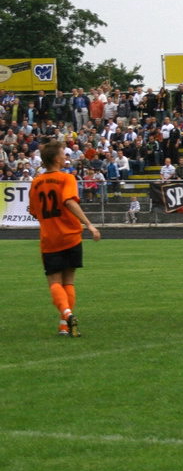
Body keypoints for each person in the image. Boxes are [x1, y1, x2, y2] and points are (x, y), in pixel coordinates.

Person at [28, 140, 101, 336]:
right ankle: (65, 321)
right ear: (56, 158)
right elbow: (69, 201)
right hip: (71, 236)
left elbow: (34, 211)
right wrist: (89, 224)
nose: (65, 157)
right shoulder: (66, 179)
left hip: (49, 238)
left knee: (54, 281)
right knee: (68, 280)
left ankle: (66, 317)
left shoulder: (36, 182)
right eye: (63, 154)